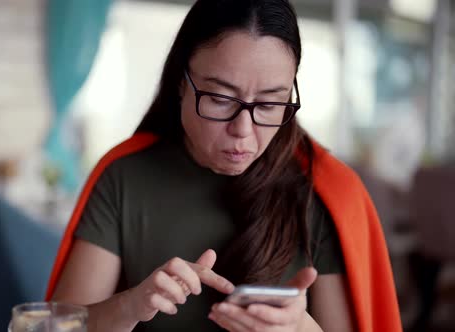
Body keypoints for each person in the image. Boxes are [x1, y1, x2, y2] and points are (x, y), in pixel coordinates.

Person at [45, 0, 402, 331]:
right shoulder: (123, 176)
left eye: (268, 104)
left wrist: (299, 328)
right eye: (219, 98)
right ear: (181, 83)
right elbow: (57, 326)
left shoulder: (326, 192)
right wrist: (131, 305)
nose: (243, 131)